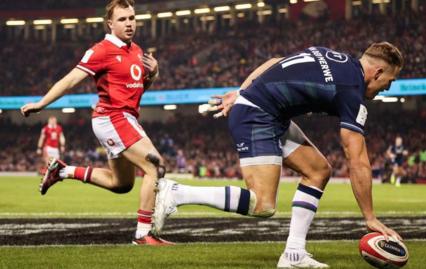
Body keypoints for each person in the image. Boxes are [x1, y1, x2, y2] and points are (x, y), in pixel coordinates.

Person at [153, 42, 405, 268]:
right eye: (390, 81)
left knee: (318, 171)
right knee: (262, 204)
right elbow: (357, 159)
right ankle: (177, 193)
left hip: (269, 113)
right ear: (378, 72)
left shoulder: (334, 56)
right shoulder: (351, 91)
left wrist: (241, 91)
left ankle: (293, 255)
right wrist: (370, 218)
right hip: (257, 115)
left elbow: (274, 62)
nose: (387, 88)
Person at [20, 0, 171, 246]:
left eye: (132, 18)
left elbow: (138, 90)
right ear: (110, 23)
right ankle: (144, 235)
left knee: (121, 184)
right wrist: (42, 103)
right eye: (122, 19)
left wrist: (153, 73)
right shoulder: (101, 50)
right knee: (156, 166)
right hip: (112, 117)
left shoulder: (136, 51)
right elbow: (70, 80)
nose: (129, 23)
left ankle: (63, 170)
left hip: (126, 117)